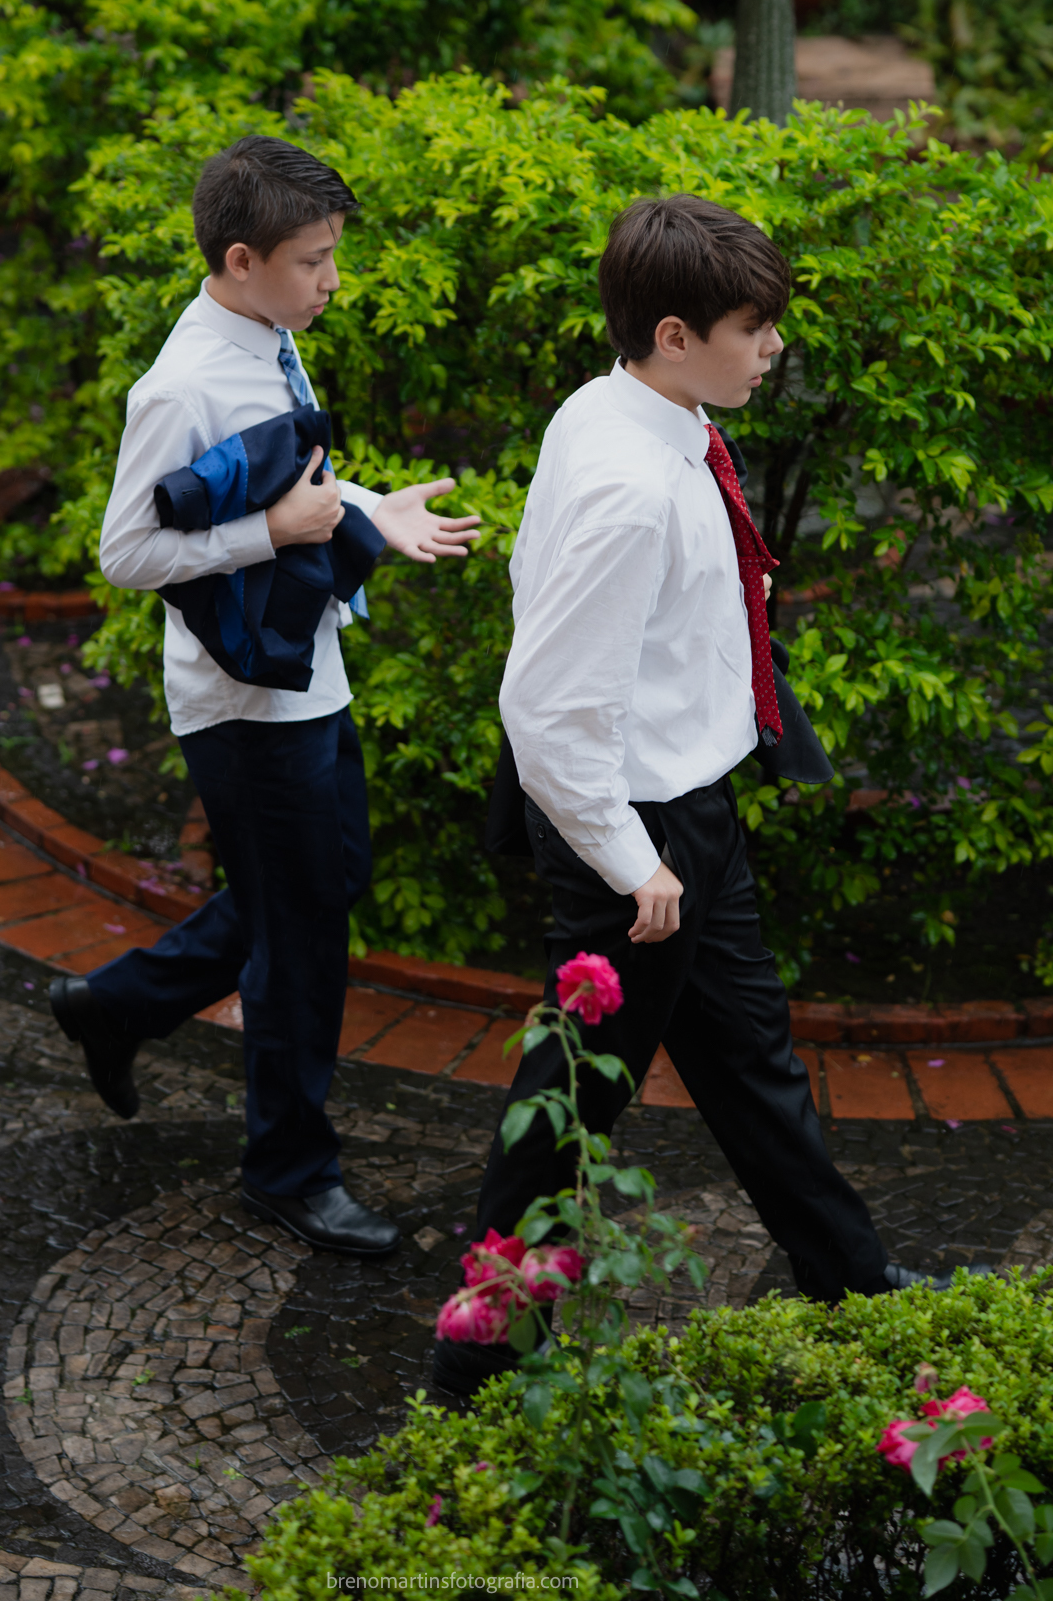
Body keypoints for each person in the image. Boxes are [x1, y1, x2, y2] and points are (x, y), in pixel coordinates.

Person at [434, 194, 983, 1396]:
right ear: (675, 335)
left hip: (691, 806)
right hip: (637, 836)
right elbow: (546, 706)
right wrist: (634, 863)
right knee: (569, 1108)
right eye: (754, 328)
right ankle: (469, 1376)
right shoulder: (629, 486)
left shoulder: (632, 408)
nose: (774, 347)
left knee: (752, 1066)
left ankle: (851, 1279)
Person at [48, 135, 479, 1258]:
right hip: (243, 705)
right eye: (314, 260)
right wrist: (272, 532)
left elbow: (292, 482)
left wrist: (368, 508)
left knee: (325, 883)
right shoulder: (184, 385)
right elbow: (126, 552)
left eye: (333, 255)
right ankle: (289, 1171)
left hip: (306, 671)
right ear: (242, 261)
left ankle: (120, 1003)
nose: (333, 280)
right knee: (300, 932)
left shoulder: (270, 339)